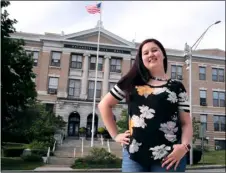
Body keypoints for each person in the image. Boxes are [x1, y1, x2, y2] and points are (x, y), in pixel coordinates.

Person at [98, 38, 193, 172]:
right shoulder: (131, 82)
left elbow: (186, 122)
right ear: (141, 59)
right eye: (146, 53)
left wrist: (184, 147)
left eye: (154, 50)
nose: (150, 54)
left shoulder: (177, 87)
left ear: (163, 54)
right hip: (134, 156)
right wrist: (115, 135)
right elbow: (104, 105)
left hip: (169, 157)